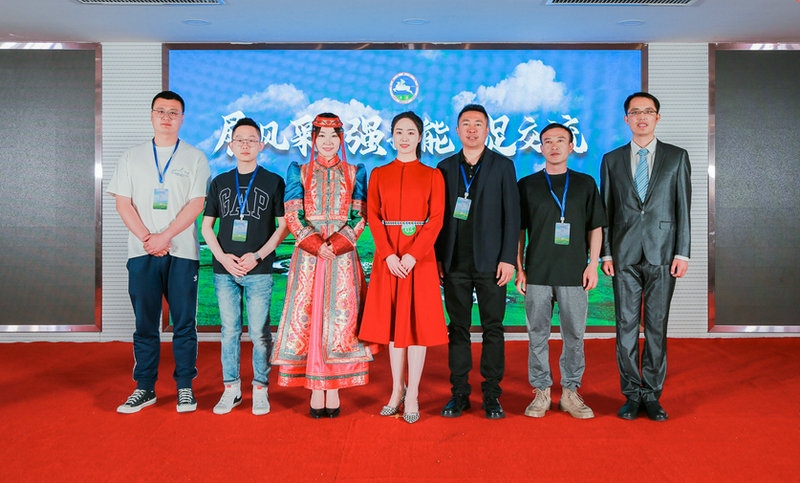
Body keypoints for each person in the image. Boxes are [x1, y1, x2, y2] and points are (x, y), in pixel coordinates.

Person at [108, 90, 210, 414]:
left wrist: (164, 236)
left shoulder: (195, 157)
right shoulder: (131, 157)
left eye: (173, 112)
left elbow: (197, 203)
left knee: (185, 323)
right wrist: (148, 239)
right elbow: (122, 202)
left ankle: (185, 387)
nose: (166, 117)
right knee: (145, 323)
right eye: (161, 111)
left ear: (182, 118)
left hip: (183, 253)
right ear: (151, 115)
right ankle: (144, 387)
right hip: (142, 252)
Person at [272, 112, 372, 418]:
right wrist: (316, 245)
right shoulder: (299, 172)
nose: (328, 142)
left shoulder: (355, 172)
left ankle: (334, 387)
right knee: (310, 317)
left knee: (340, 321)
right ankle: (316, 387)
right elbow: (292, 214)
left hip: (342, 257)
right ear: (313, 140)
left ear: (341, 140)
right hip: (309, 258)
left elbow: (360, 215)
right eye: (322, 136)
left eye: (334, 136)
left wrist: (338, 244)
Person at [600, 92, 691, 422]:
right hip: (623, 254)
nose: (642, 117)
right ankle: (631, 394)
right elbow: (607, 210)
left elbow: (683, 207)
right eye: (635, 112)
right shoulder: (611, 160)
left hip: (663, 254)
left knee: (656, 327)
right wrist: (606, 253)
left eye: (648, 111)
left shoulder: (676, 157)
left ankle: (652, 395)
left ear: (657, 117)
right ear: (626, 119)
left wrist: (683, 252)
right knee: (625, 327)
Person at [359, 111, 448, 424]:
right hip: (389, 260)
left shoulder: (433, 175)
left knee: (417, 325)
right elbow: (373, 216)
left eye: (411, 132)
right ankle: (397, 389)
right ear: (392, 136)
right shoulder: (379, 174)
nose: (405, 137)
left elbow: (436, 219)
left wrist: (413, 255)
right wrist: (387, 255)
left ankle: (413, 394)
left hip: (419, 261)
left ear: (420, 137)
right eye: (399, 131)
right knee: (394, 325)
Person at [514, 123, 606, 419]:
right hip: (538, 273)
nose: (554, 146)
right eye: (548, 141)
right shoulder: (527, 185)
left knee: (574, 335)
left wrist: (593, 264)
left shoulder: (585, 184)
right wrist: (520, 268)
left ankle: (570, 392)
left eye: (560, 140)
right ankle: (541, 391)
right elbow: (519, 231)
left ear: (571, 146)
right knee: (537, 334)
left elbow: (596, 227)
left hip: (574, 273)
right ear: (540, 147)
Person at [435, 104, 520, 419]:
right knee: (457, 328)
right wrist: (438, 259)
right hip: (454, 263)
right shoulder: (444, 168)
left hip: (492, 264)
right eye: (466, 124)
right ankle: (459, 393)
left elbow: (512, 216)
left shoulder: (503, 166)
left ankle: (492, 395)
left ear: (487, 129)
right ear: (457, 130)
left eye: (478, 124)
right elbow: (437, 218)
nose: (472, 129)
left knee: (492, 328)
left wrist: (508, 258)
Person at [201, 117, 289, 416]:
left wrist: (258, 256)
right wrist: (223, 257)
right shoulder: (220, 182)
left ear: (261, 145)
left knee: (260, 333)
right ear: (231, 145)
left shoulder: (273, 181)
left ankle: (261, 389)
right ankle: (232, 389)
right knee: (229, 331)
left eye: (251, 140)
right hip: (225, 270)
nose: (245, 145)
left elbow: (283, 226)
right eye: (239, 140)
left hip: (259, 270)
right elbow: (207, 227)